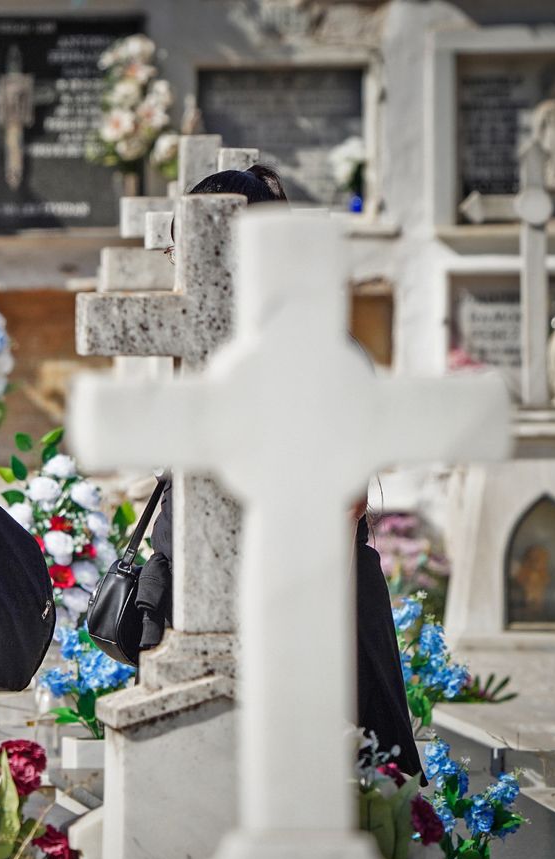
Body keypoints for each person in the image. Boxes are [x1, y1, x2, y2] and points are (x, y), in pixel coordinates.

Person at [143, 165, 423, 775]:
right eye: (176, 249)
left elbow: (343, 503)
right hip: (201, 614)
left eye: (188, 249)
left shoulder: (316, 348)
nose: (179, 268)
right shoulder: (220, 345)